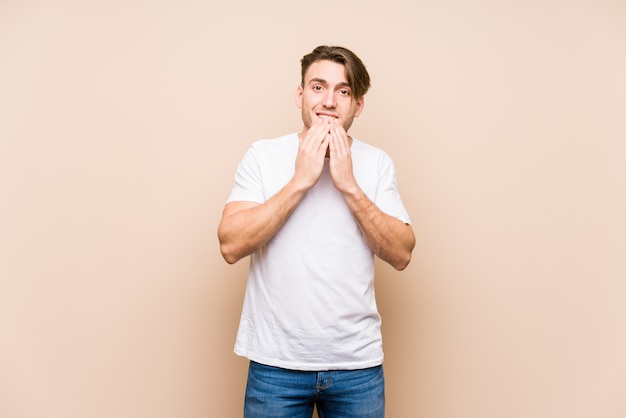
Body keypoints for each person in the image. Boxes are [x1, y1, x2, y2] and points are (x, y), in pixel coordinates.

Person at [217, 45, 416, 418]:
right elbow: (230, 244)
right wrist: (300, 180)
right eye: (318, 87)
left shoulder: (377, 163)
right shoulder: (263, 155)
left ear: (357, 104)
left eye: (343, 91)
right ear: (300, 95)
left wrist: (349, 186)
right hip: (275, 365)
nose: (329, 101)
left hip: (357, 367)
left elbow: (402, 253)